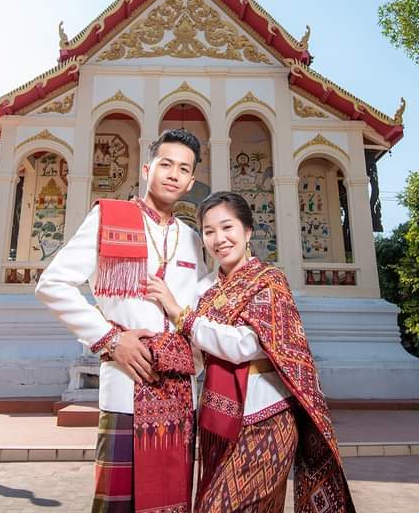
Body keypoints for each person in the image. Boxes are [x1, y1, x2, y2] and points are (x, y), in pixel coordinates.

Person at [35, 129, 211, 513]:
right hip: (127, 385)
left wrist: (191, 355)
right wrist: (110, 340)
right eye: (166, 164)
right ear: (148, 169)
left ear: (191, 181)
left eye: (183, 169)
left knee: (174, 500)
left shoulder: (193, 239)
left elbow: (198, 307)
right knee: (119, 504)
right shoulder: (109, 217)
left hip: (180, 393)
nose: (173, 174)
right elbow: (51, 284)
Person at [146, 191, 356, 512]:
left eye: (227, 228)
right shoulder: (205, 290)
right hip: (219, 421)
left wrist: (180, 314)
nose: (219, 239)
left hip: (269, 419)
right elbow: (197, 356)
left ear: (247, 232)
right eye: (209, 231)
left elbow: (244, 345)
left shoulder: (269, 281)